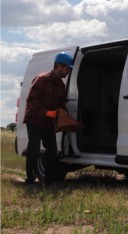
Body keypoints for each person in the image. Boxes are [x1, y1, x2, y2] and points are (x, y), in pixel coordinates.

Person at [23, 52, 73, 184]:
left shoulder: (61, 85)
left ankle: (49, 180)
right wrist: (46, 112)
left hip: (47, 122)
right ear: (59, 66)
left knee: (52, 149)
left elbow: (61, 105)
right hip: (34, 119)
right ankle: (30, 178)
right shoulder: (42, 78)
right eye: (67, 68)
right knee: (34, 147)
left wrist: (66, 118)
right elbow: (31, 100)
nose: (68, 71)